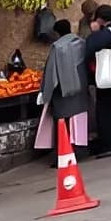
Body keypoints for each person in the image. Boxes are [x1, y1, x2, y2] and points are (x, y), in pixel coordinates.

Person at [38, 19, 89, 160]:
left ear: (56, 33)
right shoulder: (82, 43)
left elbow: (51, 73)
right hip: (81, 89)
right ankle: (80, 150)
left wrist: (45, 93)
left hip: (63, 91)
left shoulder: (57, 47)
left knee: (62, 124)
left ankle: (63, 155)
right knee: (79, 122)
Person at [85, 5, 111, 158]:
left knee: (105, 110)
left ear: (100, 19)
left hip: (106, 77)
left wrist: (95, 31)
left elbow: (91, 45)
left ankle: (108, 145)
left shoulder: (107, 33)